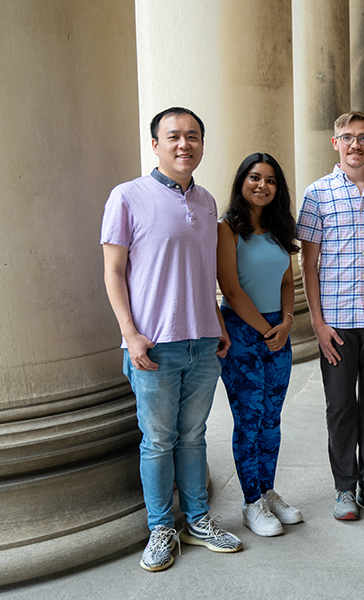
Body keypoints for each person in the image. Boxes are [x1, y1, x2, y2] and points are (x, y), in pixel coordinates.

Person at [101, 107, 242, 572]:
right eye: (174, 136)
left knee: (193, 436)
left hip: (203, 343)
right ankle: (161, 528)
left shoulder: (205, 201)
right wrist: (130, 334)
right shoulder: (126, 197)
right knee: (158, 441)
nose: (185, 144)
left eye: (194, 136)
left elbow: (203, 274)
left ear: (202, 144)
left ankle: (197, 521)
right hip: (153, 348)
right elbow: (114, 272)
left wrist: (218, 325)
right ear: (156, 144)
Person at [297, 111, 364, 521]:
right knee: (340, 406)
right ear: (335, 143)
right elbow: (309, 265)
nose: (355, 145)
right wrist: (318, 324)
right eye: (347, 137)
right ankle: (345, 488)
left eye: (362, 137)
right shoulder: (317, 195)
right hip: (337, 324)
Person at [217, 153, 301, 537]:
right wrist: (267, 330)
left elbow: (287, 281)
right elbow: (231, 290)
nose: (262, 185)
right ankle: (251, 501)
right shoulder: (227, 228)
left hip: (277, 330)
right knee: (248, 420)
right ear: (242, 182)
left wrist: (285, 322)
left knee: (271, 419)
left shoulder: (280, 228)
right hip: (242, 333)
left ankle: (267, 490)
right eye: (255, 177)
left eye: (270, 180)